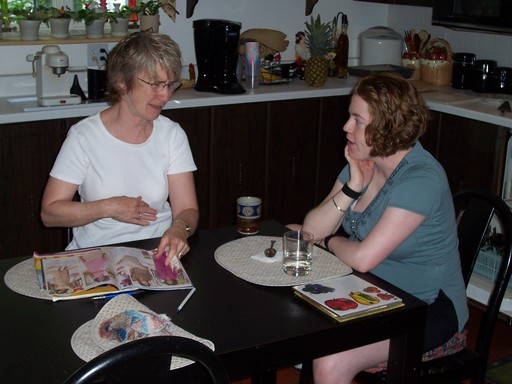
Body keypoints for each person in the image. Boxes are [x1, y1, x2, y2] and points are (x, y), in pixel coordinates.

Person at [290, 73, 469, 384]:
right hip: (374, 289)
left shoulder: (421, 179)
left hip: (427, 305)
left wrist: (330, 240)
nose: (346, 127)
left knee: (331, 360)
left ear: (387, 127)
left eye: (357, 120)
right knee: (298, 318)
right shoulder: (360, 164)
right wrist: (352, 187)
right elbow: (310, 230)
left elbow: (362, 258)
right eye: (350, 116)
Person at [41, 31, 198, 266]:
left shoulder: (171, 134)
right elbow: (50, 213)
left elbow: (187, 209)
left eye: (169, 84)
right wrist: (109, 207)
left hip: (156, 254)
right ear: (122, 82)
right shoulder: (84, 136)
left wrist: (179, 229)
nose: (165, 95)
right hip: (95, 257)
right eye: (155, 84)